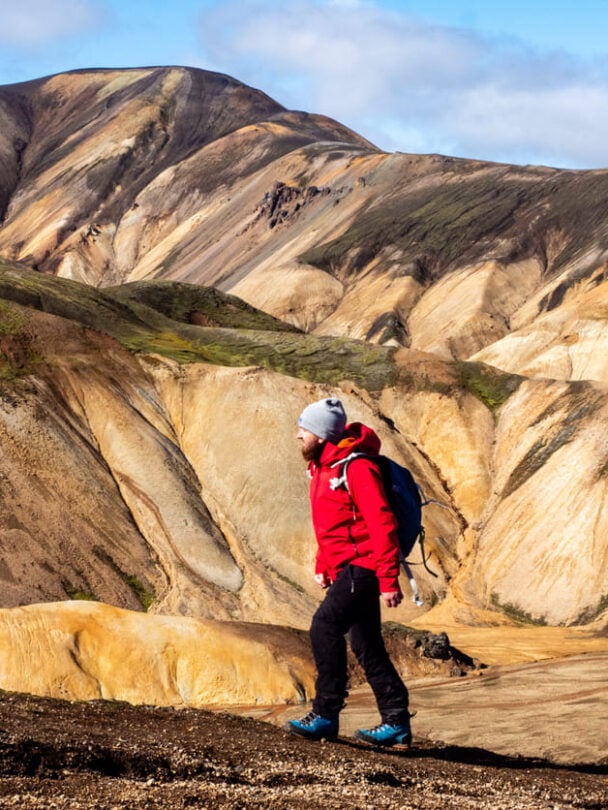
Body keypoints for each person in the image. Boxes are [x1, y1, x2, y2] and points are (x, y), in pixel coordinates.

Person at [284, 397, 411, 747]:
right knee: (366, 644)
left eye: (304, 429)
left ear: (322, 434)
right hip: (347, 567)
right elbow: (333, 526)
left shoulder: (356, 468)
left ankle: (325, 714)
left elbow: (381, 523)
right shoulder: (323, 468)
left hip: (365, 565)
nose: (298, 435)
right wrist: (323, 565)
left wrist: (389, 579)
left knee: (324, 627)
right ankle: (396, 721)